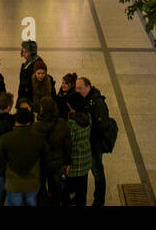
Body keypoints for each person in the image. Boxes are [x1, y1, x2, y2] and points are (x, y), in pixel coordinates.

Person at [0, 106, 47, 206]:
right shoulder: (38, 137)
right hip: (33, 182)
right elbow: (45, 158)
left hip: (13, 182)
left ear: (16, 120)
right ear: (30, 121)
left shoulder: (6, 138)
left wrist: (4, 173)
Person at [76, 76, 113, 206]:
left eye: (80, 88)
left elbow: (103, 125)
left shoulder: (97, 102)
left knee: (97, 172)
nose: (77, 90)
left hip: (95, 144)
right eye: (76, 88)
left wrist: (89, 127)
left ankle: (99, 200)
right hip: (89, 142)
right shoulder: (86, 99)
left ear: (88, 87)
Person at [33, 97, 70, 206]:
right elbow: (68, 145)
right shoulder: (62, 124)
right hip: (57, 163)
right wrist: (68, 163)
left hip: (42, 164)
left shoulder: (36, 127)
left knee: (41, 188)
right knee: (56, 189)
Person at [64, 94, 92, 207]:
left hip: (74, 164)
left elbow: (69, 146)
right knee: (82, 192)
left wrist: (66, 164)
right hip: (85, 161)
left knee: (70, 193)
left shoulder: (71, 124)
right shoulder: (88, 117)